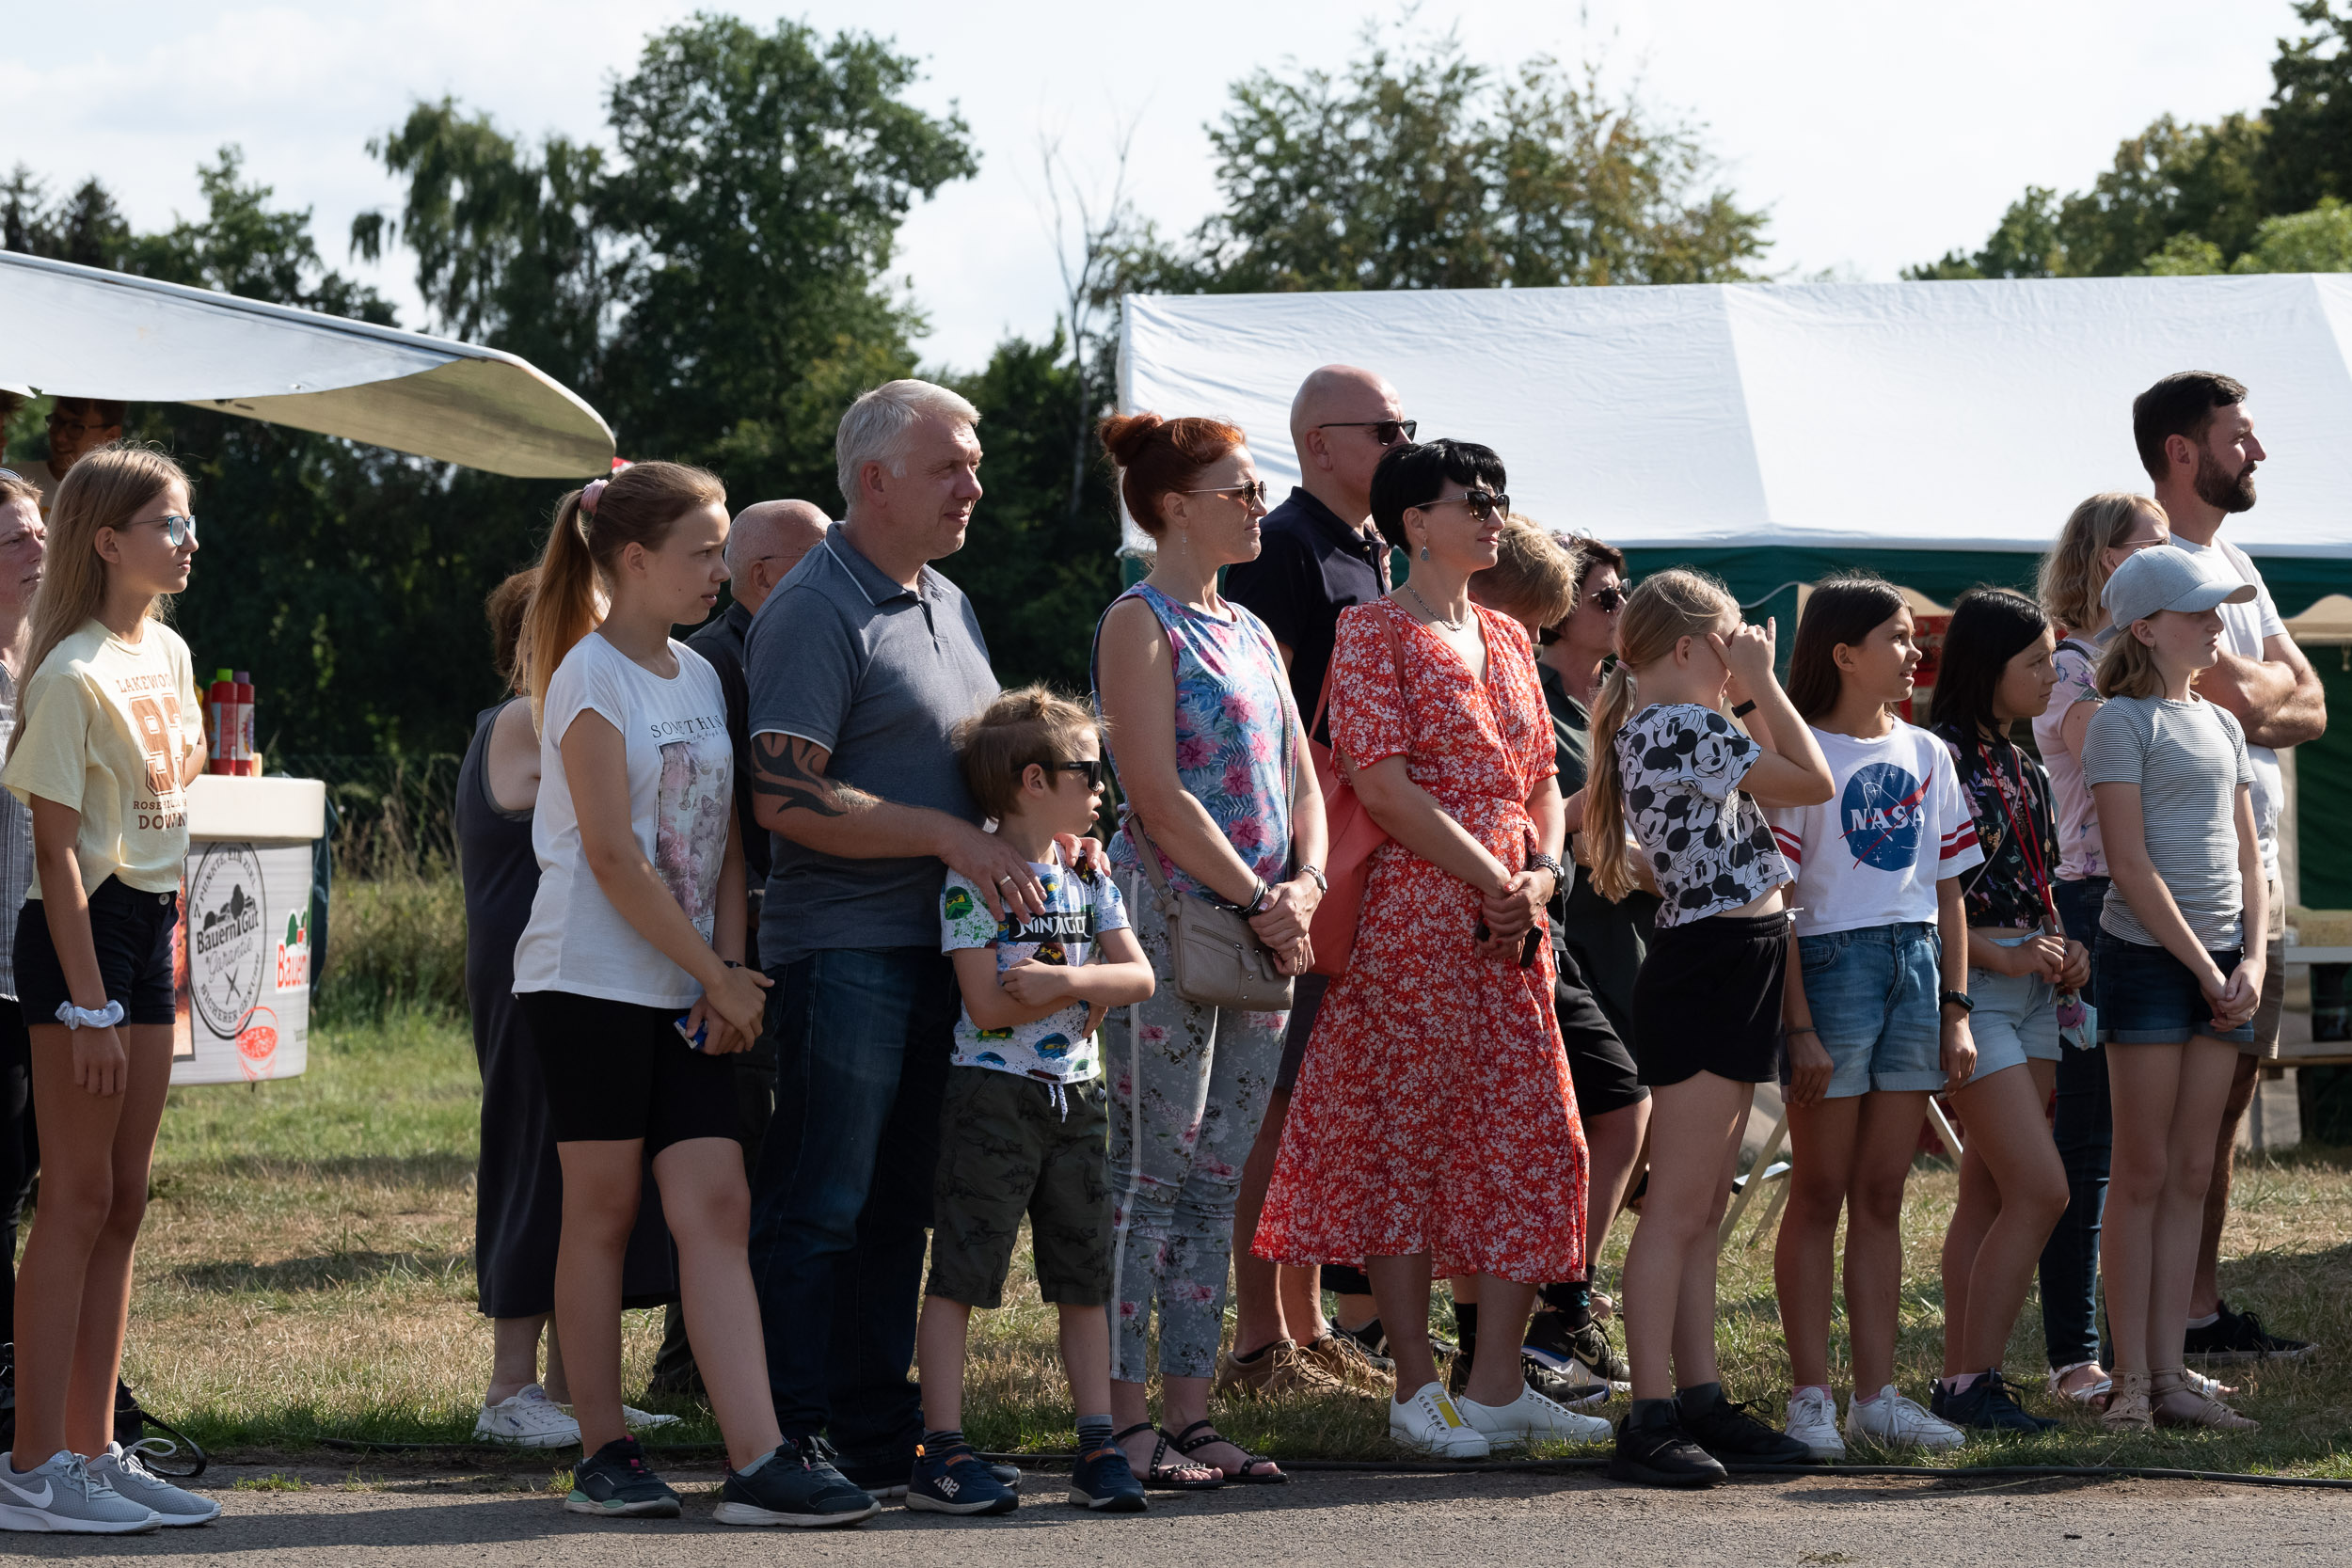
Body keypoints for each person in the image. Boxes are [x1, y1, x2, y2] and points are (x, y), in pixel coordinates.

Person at [512, 459, 875, 1527]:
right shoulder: (587, 676)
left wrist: (726, 974)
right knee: (605, 1212)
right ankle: (604, 1450)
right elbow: (616, 859)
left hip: (690, 988)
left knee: (717, 1207)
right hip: (587, 984)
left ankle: (758, 1458)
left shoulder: (703, 673)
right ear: (633, 559)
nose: (721, 570)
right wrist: (715, 974)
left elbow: (719, 841)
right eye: (703, 551)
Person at [1254, 438, 1610, 1461]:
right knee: (1405, 1143)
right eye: (1474, 498)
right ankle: (1418, 1387)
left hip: (1510, 918)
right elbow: (1380, 781)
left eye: (1499, 494)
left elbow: (1542, 775)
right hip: (1416, 916)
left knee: (1536, 1137)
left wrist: (1537, 873)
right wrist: (1494, 876)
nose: (1495, 512)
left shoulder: (1504, 634)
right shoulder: (1370, 631)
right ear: (1414, 521)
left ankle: (1495, 1384)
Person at [742, 381, 1025, 1501]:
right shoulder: (814, 605)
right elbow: (783, 799)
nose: (974, 483)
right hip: (844, 949)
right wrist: (953, 835)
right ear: (873, 480)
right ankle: (782, 1435)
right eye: (949, 464)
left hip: (939, 954)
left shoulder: (946, 600)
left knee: (894, 1204)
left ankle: (871, 1431)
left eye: (974, 461)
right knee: (819, 1201)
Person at [1092, 411, 1327, 1486]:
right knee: (1152, 1169)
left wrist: (1306, 885)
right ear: (1173, 504)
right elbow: (1154, 793)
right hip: (1177, 925)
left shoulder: (1251, 631)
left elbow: (1302, 778)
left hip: (1262, 933)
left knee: (1218, 1173)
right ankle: (1123, 1417)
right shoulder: (1136, 622)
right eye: (1238, 488)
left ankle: (1191, 1413)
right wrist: (1260, 899)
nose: (1258, 503)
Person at [0, 444, 216, 1530]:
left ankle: (93, 1442)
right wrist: (84, 1002)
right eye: (168, 524)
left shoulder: (168, 652)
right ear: (107, 539)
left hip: (151, 926)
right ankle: (34, 1464)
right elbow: (52, 860)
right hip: (80, 937)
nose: (187, 542)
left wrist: (148, 974)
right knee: (76, 1198)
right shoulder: (68, 670)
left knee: (123, 1200)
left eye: (185, 523)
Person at [1583, 568, 1832, 1489]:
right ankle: (1650, 1408)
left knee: (1703, 1202)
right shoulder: (1685, 722)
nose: (1744, 656)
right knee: (1681, 1206)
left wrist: (1751, 688)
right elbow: (1810, 781)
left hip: (1734, 957)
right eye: (1733, 640)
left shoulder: (1673, 722)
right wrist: (1764, 685)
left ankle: (1697, 1394)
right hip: (1712, 965)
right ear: (1689, 648)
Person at [911, 687, 1152, 1517]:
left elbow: (1139, 975)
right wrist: (1076, 994)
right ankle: (940, 1451)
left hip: (1076, 1101)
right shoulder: (970, 881)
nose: (1102, 789)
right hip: (993, 1098)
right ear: (1031, 781)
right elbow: (985, 1005)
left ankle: (1097, 1445)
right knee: (962, 1274)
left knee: (1083, 1276)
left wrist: (1065, 982)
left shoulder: (1088, 872)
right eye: (1089, 771)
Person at [461, 568, 679, 1448]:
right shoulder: (527, 719)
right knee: (533, 1158)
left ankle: (572, 1385)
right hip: (534, 976)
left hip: (590, 971)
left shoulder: (567, 710)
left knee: (588, 1173)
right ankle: (511, 1387)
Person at [2133, 372, 2324, 1366]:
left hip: (2257, 877)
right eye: (2238, 436)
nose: (2257, 453)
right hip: (2187, 878)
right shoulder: (2152, 561)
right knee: (2171, 1127)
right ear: (2181, 450)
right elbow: (2248, 703)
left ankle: (2198, 1310)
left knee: (2230, 1101)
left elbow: (2310, 701)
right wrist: (2265, 688)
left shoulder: (2230, 554)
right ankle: (2152, 1323)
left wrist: (2268, 689)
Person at [1221, 363, 1406, 1381]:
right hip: (1290, 866)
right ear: (1320, 445)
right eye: (1384, 428)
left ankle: (1303, 1322)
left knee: (1311, 1102)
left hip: (1345, 860)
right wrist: (1283, 870)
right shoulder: (1286, 546)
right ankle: (1257, 1336)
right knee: (1272, 1101)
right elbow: (1264, 725)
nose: (1401, 442)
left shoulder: (1370, 548)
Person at [1765, 576, 1978, 1459]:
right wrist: (1799, 1023)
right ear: (1843, 651)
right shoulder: (1795, 752)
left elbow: (1948, 888)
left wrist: (1956, 1010)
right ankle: (1810, 1397)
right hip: (1829, 966)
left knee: (1883, 1192)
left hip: (1915, 967)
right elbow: (1775, 902)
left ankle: (1876, 1396)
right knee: (1817, 1192)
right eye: (1896, 636)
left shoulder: (1930, 751)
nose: (1915, 651)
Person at [646, 498, 832, 1402]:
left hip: (752, 943)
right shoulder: (719, 667)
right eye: (821, 563)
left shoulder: (740, 653)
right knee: (737, 1161)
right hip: (737, 948)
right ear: (770, 576)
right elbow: (714, 833)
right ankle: (692, 1371)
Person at [2083, 545, 2268, 1431]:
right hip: (2153, 963)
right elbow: (2128, 863)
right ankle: (2133, 1379)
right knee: (2145, 1168)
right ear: (2146, 628)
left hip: (2224, 965)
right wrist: (2206, 967)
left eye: (2216, 608)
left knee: (2192, 1168)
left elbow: (2251, 859)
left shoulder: (2225, 724)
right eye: (2198, 610)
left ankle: (2170, 1378)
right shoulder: (2121, 721)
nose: (2215, 622)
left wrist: (2254, 961)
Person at [1459, 517, 1625, 1409]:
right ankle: (1528, 1330)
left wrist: (1545, 863)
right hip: (1492, 921)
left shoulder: (1515, 662)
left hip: (1542, 921)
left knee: (1572, 1123)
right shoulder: (1470, 655)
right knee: (1513, 1140)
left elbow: (1534, 804)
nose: (1606, 610)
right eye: (1586, 599)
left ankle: (1542, 1319)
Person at [2030, 492, 2172, 1409]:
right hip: (2085, 901)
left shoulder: (2133, 670)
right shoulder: (2068, 667)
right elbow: (2109, 745)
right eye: (2147, 549)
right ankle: (2073, 1353)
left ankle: (2140, 1352)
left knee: (2136, 1148)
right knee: (2084, 1138)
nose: (2166, 561)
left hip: (2140, 898)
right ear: (2099, 560)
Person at [1924, 590, 2077, 1433]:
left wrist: (2063, 949)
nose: (2050, 675)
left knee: (1987, 1193)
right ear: (1987, 668)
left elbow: (2038, 881)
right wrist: (2000, 956)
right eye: (2034, 662)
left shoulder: (2027, 766)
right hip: (1974, 984)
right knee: (2042, 1189)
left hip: (2035, 989)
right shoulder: (1935, 755)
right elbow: (1921, 897)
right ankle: (1969, 1382)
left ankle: (1964, 1374)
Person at [1527, 531, 1648, 1393]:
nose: (1620, 608)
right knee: (1596, 1119)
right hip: (1568, 936)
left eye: (1623, 593)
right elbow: (1540, 820)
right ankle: (1559, 1305)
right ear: (1555, 612)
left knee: (1623, 1120)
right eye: (1604, 597)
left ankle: (1566, 1302)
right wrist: (1598, 819)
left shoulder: (1620, 698)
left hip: (1629, 934)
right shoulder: (1533, 695)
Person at [0, 473, 42, 1355]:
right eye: (15, 538)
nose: (38, 547)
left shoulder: (43, 666)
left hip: (45, 967)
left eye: (43, 529)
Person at [16, 401, 126, 515]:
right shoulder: (14, 482)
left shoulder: (123, 499)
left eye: (76, 427)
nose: (60, 437)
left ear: (111, 436)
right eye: (57, 421)